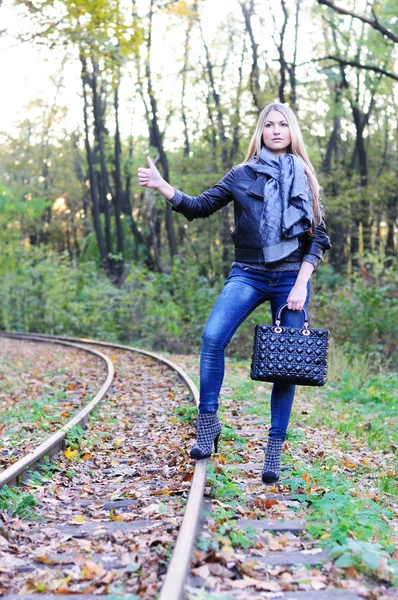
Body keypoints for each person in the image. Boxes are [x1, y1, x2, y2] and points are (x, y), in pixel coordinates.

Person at [137, 102, 332, 484]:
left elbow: (319, 236)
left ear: (292, 131)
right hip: (248, 272)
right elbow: (199, 206)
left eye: (282, 125)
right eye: (269, 125)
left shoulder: (304, 175)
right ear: (260, 132)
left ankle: (274, 450)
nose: (276, 130)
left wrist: (301, 283)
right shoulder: (241, 175)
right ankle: (208, 425)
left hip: (291, 276)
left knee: (287, 362)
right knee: (212, 337)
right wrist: (163, 186)